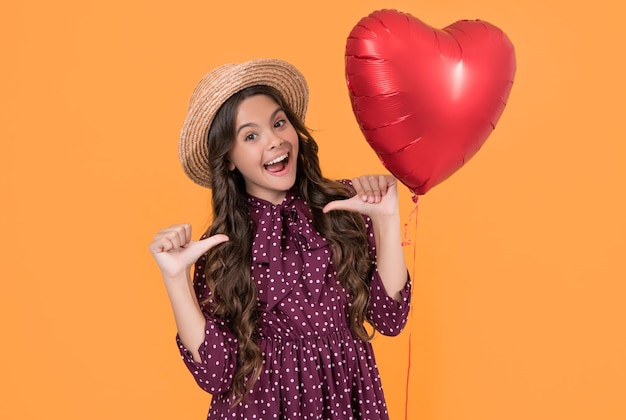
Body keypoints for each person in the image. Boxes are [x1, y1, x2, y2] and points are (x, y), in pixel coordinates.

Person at [149, 58, 411, 419]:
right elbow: (216, 372)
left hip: (348, 402)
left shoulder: (345, 205)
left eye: (278, 123)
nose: (275, 141)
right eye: (251, 135)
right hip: (261, 407)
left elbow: (390, 317)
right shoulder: (220, 247)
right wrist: (175, 278)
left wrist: (386, 220)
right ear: (228, 159)